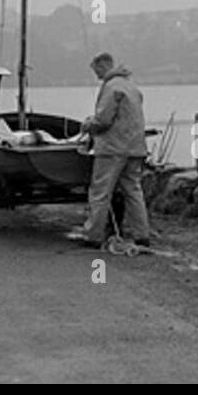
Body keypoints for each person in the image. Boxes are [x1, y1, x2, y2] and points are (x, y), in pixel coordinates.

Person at [67, 52, 151, 248]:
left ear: (103, 65)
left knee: (100, 192)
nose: (95, 74)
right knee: (133, 191)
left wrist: (88, 124)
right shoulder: (131, 86)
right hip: (135, 147)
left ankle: (93, 235)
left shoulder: (111, 87)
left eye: (95, 69)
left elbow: (103, 120)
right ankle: (142, 235)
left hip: (113, 149)